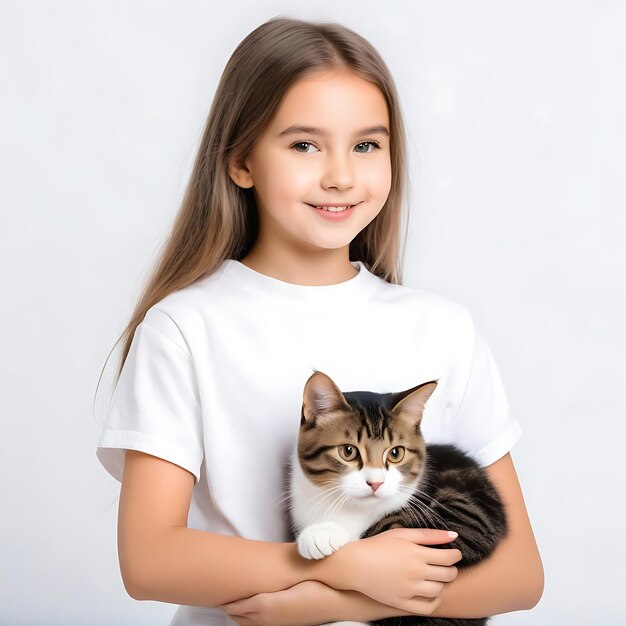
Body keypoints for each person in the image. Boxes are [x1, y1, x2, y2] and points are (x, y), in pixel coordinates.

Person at [95, 16, 543, 626]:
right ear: (241, 161)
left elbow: (521, 577)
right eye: (304, 144)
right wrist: (335, 565)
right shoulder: (185, 328)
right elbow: (149, 561)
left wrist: (333, 600)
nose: (341, 174)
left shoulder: (443, 328)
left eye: (367, 144)